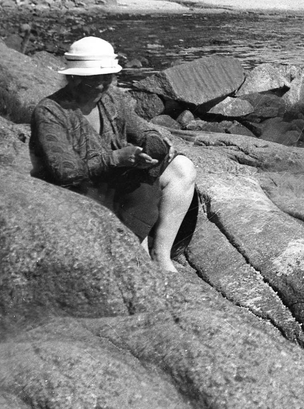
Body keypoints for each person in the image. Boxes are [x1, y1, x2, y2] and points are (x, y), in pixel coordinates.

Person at [29, 37, 197, 273]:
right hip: (75, 193)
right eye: (92, 81)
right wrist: (117, 158)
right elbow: (64, 172)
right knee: (134, 258)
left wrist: (152, 143)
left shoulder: (110, 99)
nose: (100, 86)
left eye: (106, 79)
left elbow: (141, 129)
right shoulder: (50, 111)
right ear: (72, 77)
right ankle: (137, 250)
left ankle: (161, 255)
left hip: (111, 180)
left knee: (183, 169)